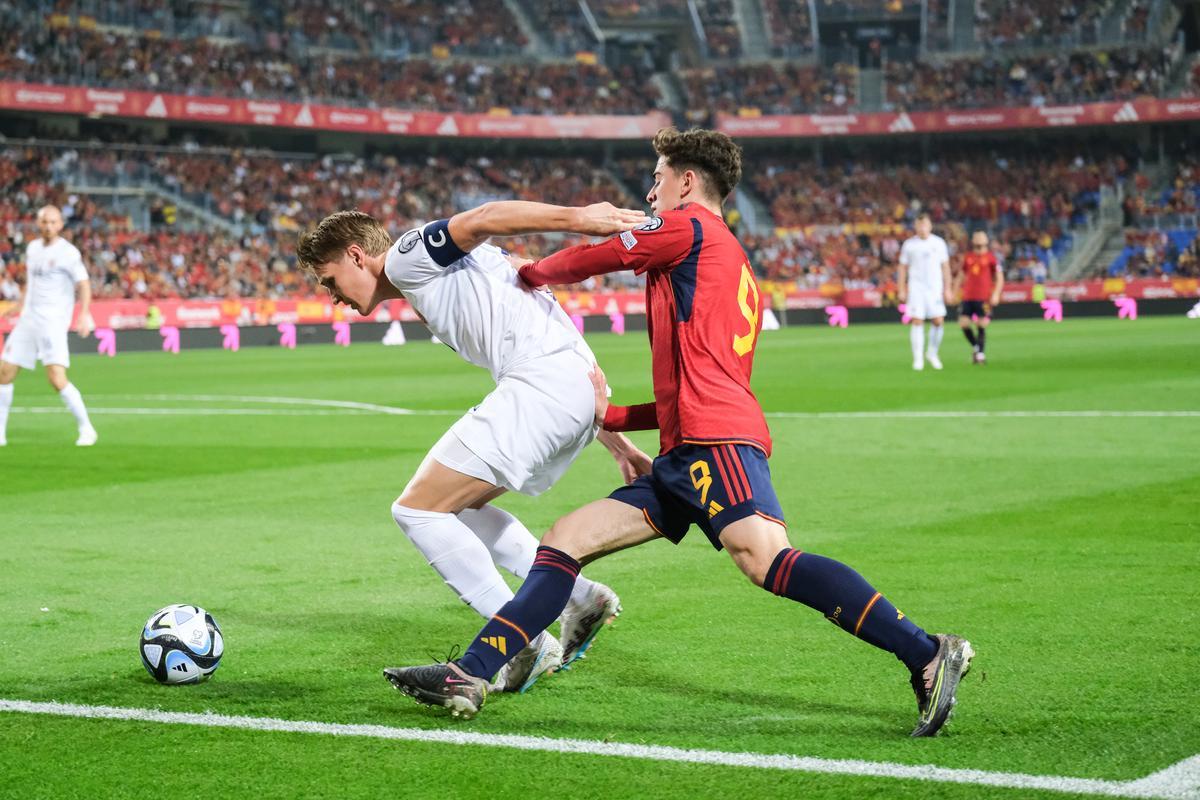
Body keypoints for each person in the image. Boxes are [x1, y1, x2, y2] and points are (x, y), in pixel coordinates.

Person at [384, 128, 974, 736]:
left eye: (659, 177)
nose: (650, 190)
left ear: (687, 182)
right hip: (687, 444)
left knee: (766, 560)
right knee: (564, 541)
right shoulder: (722, 256)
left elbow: (599, 255)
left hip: (715, 442)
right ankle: (473, 671)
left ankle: (926, 652)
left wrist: (527, 273)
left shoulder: (691, 228)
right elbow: (692, 380)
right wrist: (615, 420)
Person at [296, 199, 654, 693]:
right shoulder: (444, 281)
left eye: (329, 280)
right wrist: (615, 443)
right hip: (571, 393)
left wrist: (579, 219)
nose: (331, 295)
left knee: (417, 512)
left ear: (357, 256)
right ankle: (578, 597)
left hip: (541, 388)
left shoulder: (406, 257)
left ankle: (521, 638)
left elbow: (483, 217)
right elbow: (544, 325)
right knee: (457, 510)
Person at [0, 205, 97, 447]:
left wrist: (84, 314)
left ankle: (87, 428)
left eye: (53, 222)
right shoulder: (32, 249)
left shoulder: (68, 253)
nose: (48, 226)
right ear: (38, 223)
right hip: (28, 319)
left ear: (61, 224)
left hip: (52, 322)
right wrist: (18, 305)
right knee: (4, 373)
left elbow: (83, 284)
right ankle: (0, 432)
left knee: (56, 377)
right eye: (44, 222)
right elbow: (32, 284)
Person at [898, 214, 953, 371]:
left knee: (938, 321)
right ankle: (918, 358)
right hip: (916, 287)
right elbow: (902, 268)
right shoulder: (909, 245)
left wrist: (947, 288)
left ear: (930, 226)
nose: (922, 228)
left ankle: (932, 353)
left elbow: (945, 267)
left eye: (925, 225)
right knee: (917, 320)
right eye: (919, 225)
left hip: (935, 288)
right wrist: (902, 288)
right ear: (915, 226)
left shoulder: (938, 243)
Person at [954, 230, 1004, 364]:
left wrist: (996, 294)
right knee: (964, 323)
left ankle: (980, 354)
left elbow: (999, 277)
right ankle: (977, 347)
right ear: (973, 241)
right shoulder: (968, 257)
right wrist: (955, 290)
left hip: (984, 297)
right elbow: (961, 275)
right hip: (968, 297)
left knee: (981, 324)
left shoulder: (991, 258)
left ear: (986, 241)